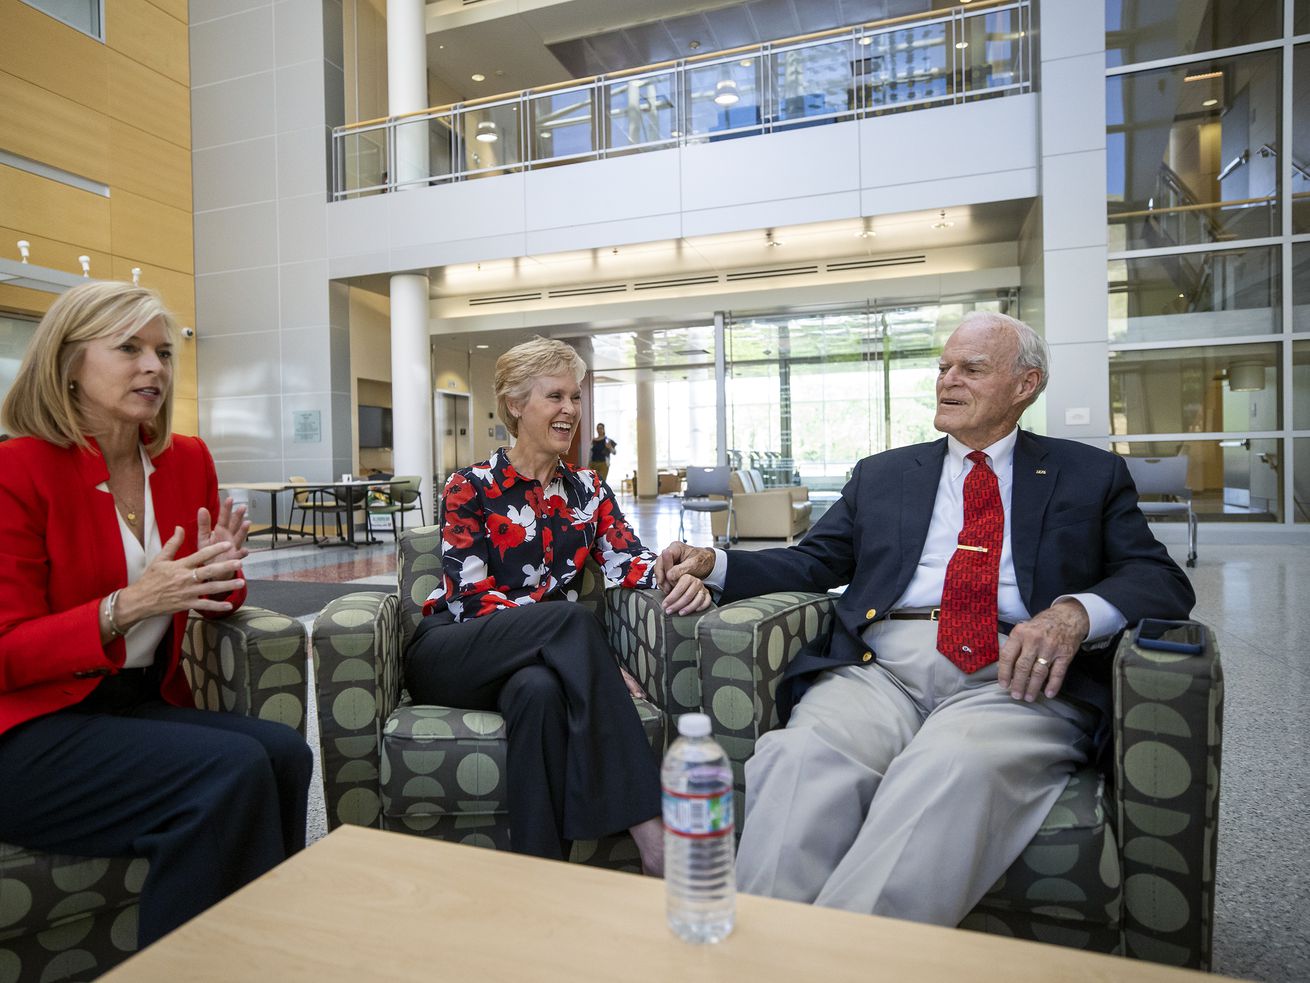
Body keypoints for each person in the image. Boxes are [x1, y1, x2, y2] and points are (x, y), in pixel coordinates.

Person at [656, 311, 1195, 925]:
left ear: (1027, 385)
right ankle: (755, 953)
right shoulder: (884, 474)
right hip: (880, 667)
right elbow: (813, 562)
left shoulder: (1086, 473)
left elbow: (1159, 579)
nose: (948, 381)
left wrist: (1072, 614)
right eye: (943, 368)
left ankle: (843, 966)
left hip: (1012, 675)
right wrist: (714, 563)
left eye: (971, 368)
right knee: (799, 758)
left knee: (948, 768)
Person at [0, 281, 313, 948]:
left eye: (164, 352)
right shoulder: (17, 470)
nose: (154, 367)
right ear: (68, 365)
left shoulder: (185, 460)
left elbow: (207, 597)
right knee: (228, 771)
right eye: (129, 348)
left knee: (284, 753)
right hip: (28, 728)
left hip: (134, 702)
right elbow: (9, 652)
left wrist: (220, 570)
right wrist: (126, 606)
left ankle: (262, 949)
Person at [405, 337, 709, 871]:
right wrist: (590, 659)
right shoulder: (468, 487)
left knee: (540, 693)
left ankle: (540, 874)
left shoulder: (589, 490)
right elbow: (472, 598)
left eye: (575, 397)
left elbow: (628, 562)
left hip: (535, 666)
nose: (570, 410)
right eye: (555, 397)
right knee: (568, 621)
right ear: (516, 406)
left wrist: (684, 566)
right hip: (453, 653)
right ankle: (650, 828)